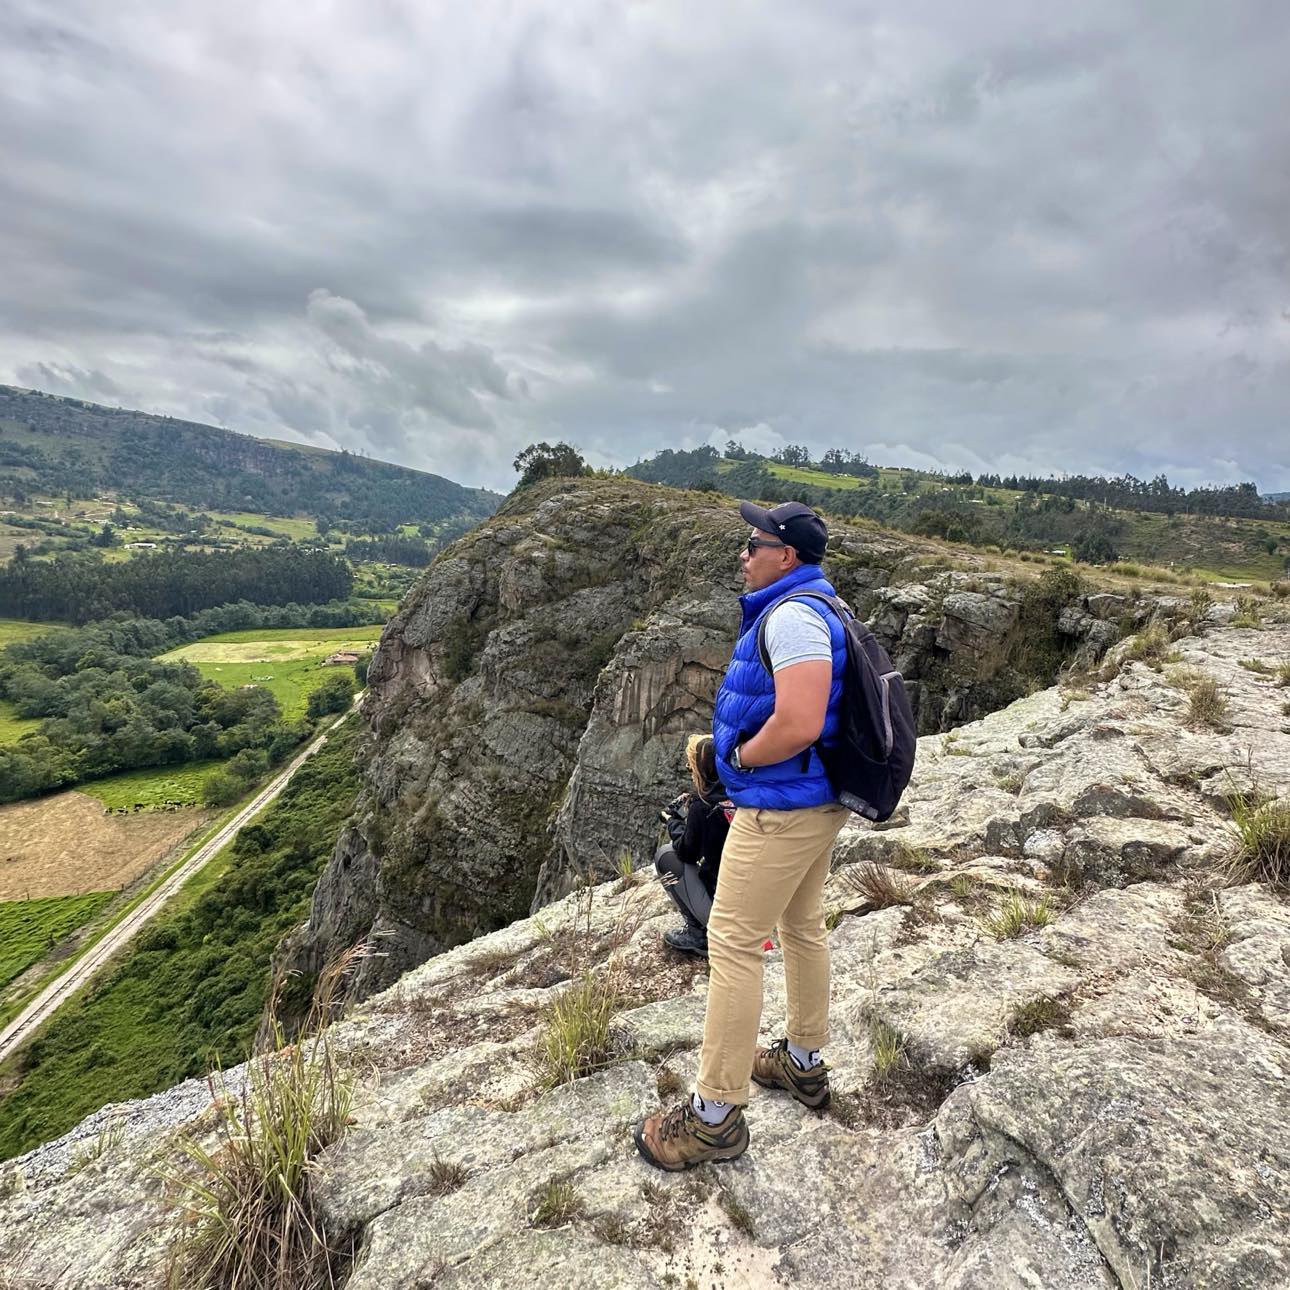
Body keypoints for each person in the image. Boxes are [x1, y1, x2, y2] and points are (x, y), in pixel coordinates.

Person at [634, 500, 850, 1171]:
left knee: (731, 942)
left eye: (753, 545)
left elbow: (801, 721)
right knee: (802, 926)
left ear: (786, 556)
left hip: (781, 807)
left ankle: (714, 1119)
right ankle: (802, 1063)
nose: (743, 554)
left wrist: (739, 760)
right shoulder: (820, 604)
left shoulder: (792, 618)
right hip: (814, 799)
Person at [655, 734, 734, 959]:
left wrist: (673, 822)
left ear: (702, 770)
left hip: (724, 908)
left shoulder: (704, 808)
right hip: (754, 903)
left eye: (691, 767)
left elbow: (686, 852)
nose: (690, 772)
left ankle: (698, 933)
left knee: (665, 856)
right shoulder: (742, 796)